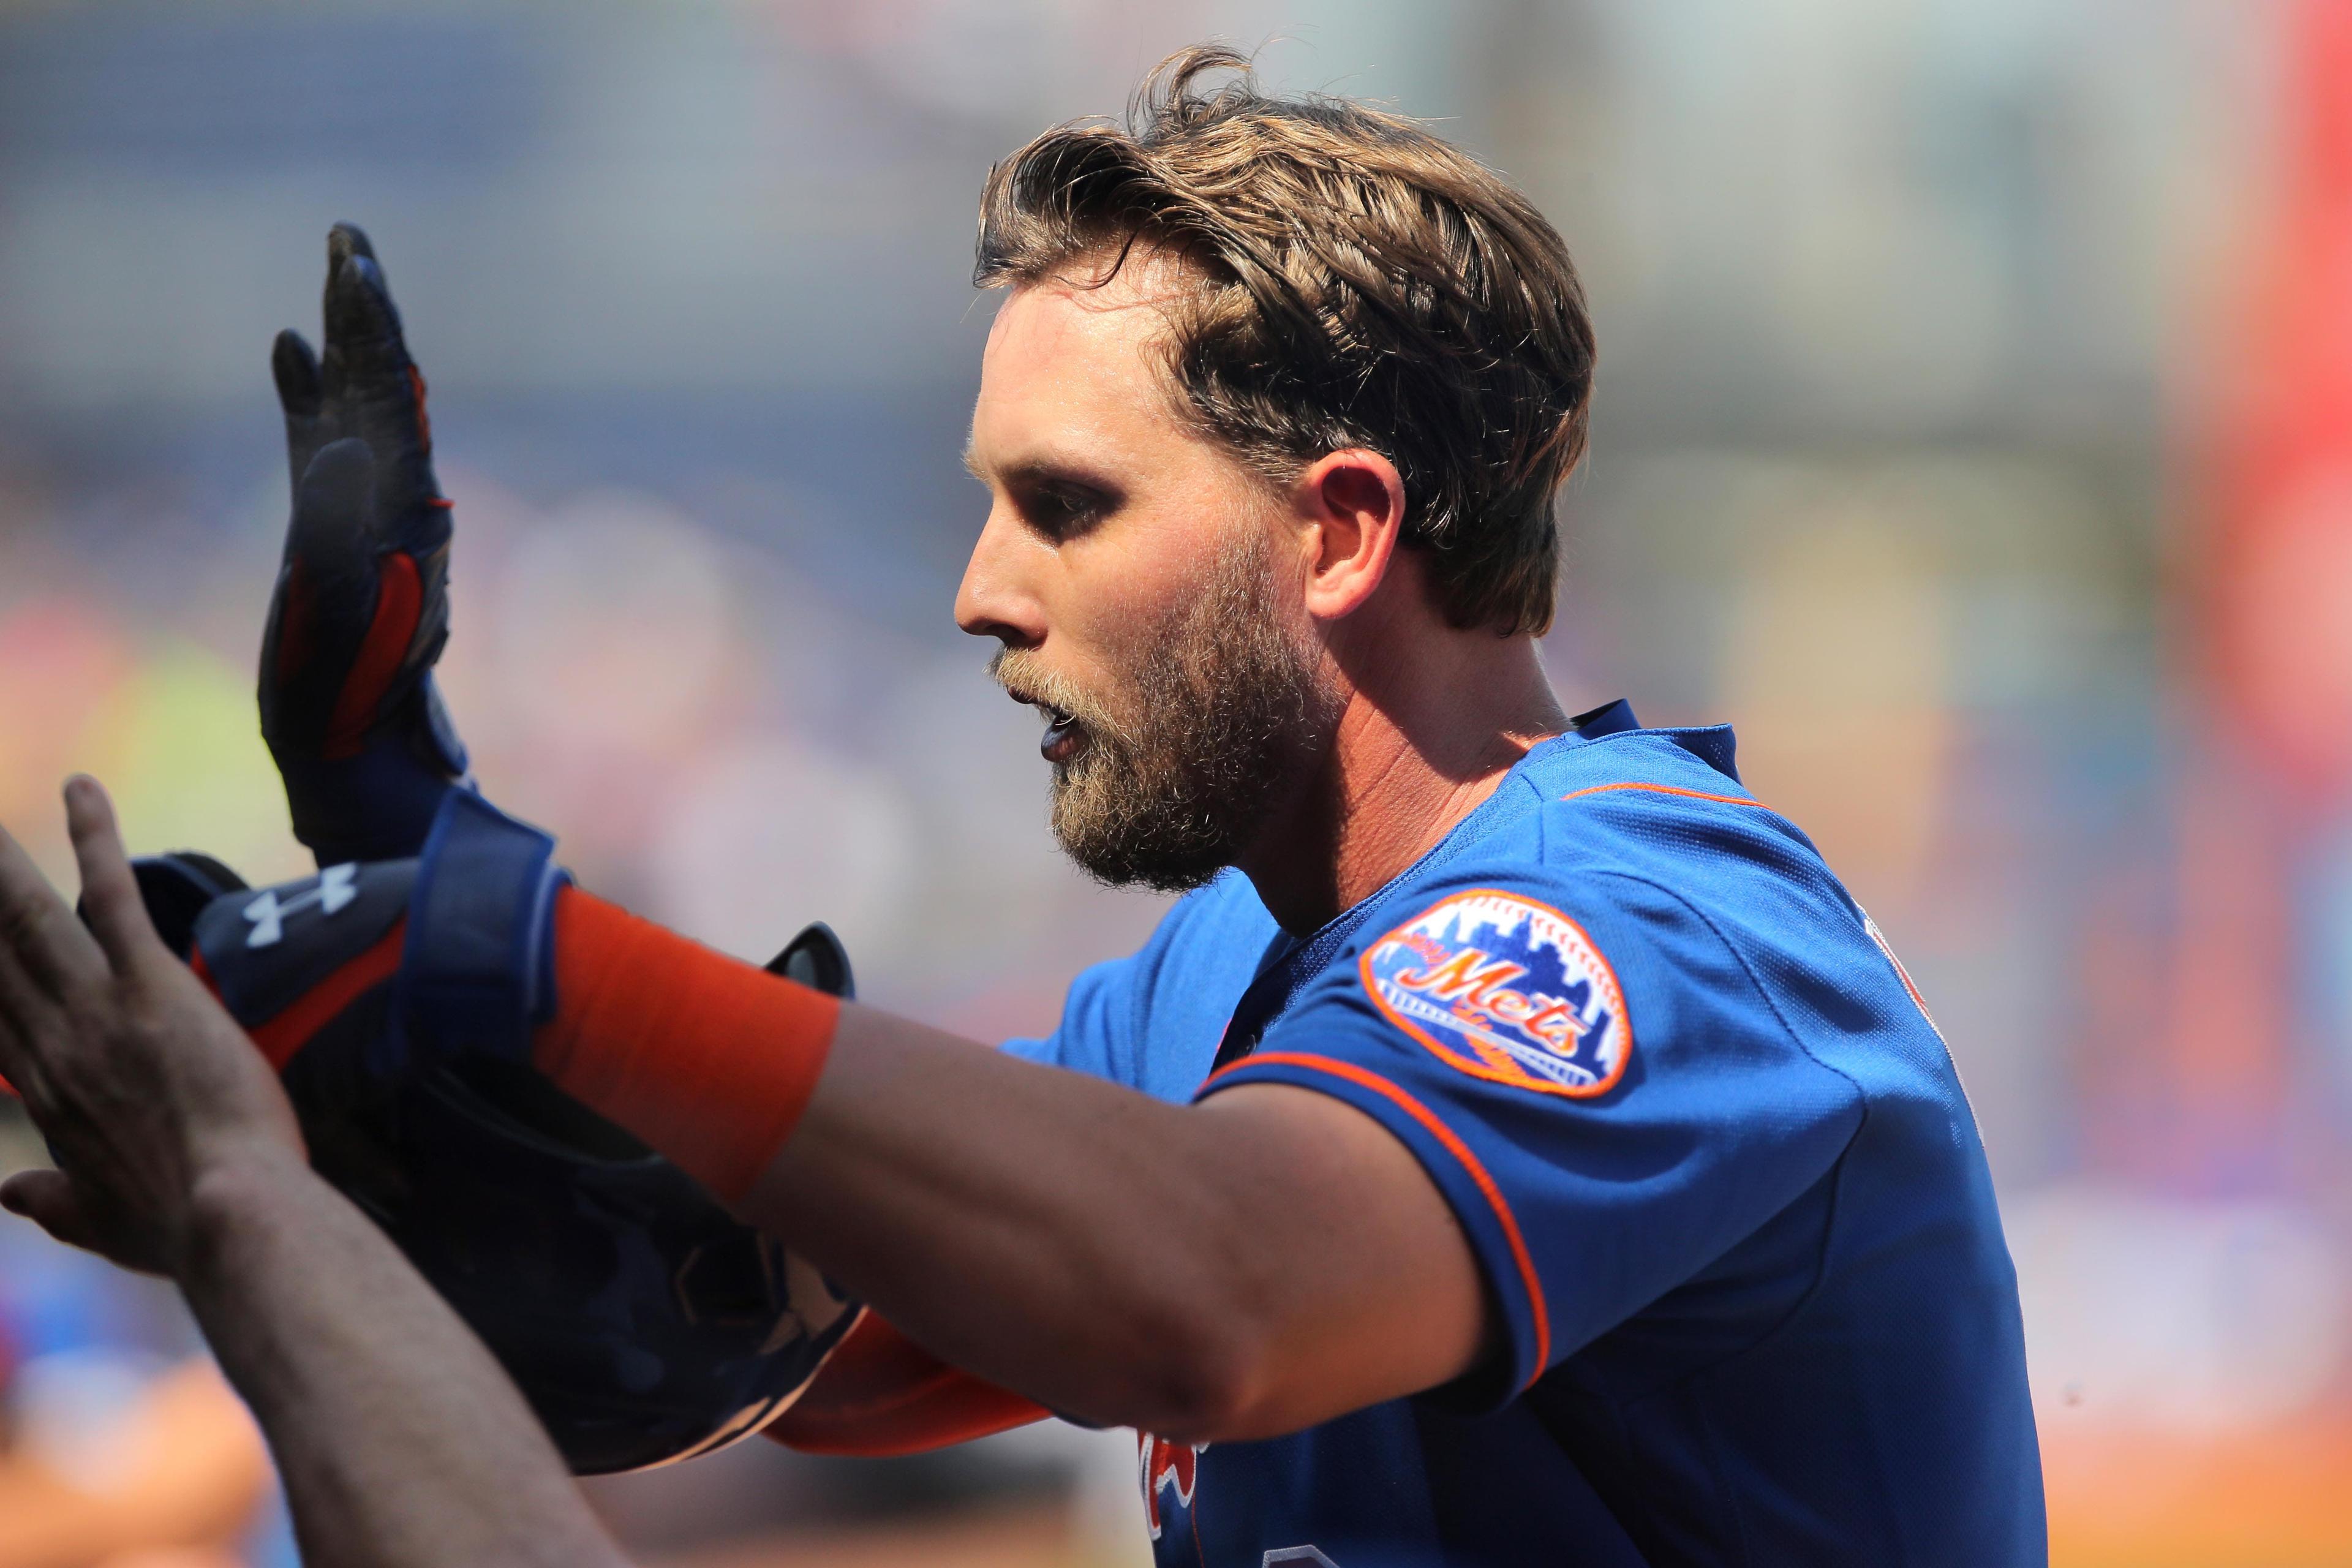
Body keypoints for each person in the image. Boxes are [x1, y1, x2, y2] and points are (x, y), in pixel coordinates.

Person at [0, 47, 2046, 1568]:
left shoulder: (1651, 923)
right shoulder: (1230, 976)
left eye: (1067, 506)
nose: (982, 590)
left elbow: (1214, 1303)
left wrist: (511, 951)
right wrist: (381, 951)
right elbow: (758, 1341)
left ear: (1337, 533)